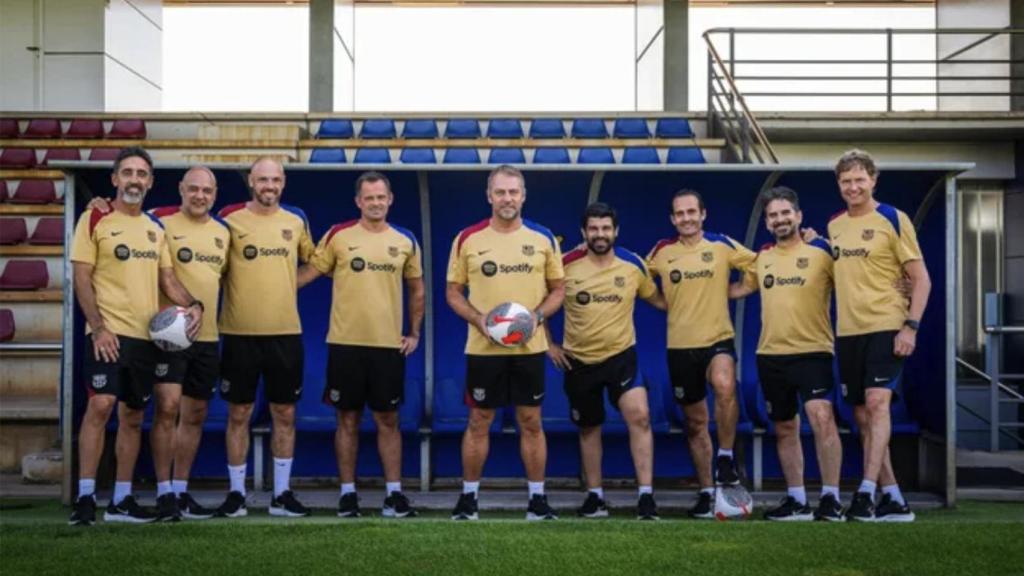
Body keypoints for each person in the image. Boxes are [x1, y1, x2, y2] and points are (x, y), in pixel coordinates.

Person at [68, 147, 204, 526]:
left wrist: (194, 305)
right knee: (100, 406)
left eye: (141, 174)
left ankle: (122, 501)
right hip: (107, 333)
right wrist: (97, 326)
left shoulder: (154, 228)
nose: (134, 179)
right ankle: (85, 498)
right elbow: (81, 276)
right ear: (115, 179)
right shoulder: (94, 217)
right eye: (127, 172)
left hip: (147, 338)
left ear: (150, 182)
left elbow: (168, 279)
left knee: (132, 415)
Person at [297, 171, 425, 518]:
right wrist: (267, 287)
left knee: (388, 421)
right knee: (347, 420)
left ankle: (393, 496)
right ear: (358, 202)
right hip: (345, 345)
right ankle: (348, 495)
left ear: (390, 199)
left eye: (381, 197)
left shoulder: (405, 240)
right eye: (369, 198)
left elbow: (417, 289)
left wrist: (413, 333)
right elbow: (308, 274)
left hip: (388, 348)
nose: (376, 203)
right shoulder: (339, 236)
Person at [446, 165, 565, 521]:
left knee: (531, 421)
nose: (507, 198)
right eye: (500, 192)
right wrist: (479, 320)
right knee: (479, 420)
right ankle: (468, 500)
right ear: (489, 196)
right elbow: (453, 293)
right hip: (484, 350)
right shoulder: (468, 238)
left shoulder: (543, 239)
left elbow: (559, 289)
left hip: (529, 349)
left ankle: (537, 501)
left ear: (523, 195)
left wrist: (537, 319)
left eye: (513, 192)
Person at [728, 186, 844, 521]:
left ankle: (831, 498)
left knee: (823, 420)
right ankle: (797, 500)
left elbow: (857, 279)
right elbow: (738, 289)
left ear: (798, 215)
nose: (780, 220)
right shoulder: (762, 258)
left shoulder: (822, 251)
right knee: (784, 428)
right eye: (773, 215)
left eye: (785, 213)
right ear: (767, 222)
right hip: (770, 355)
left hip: (814, 352)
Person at [546, 202, 667, 520]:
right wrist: (549, 345)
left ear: (616, 231)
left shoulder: (633, 265)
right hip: (579, 361)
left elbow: (658, 299)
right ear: (584, 232)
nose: (600, 234)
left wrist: (699, 301)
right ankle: (595, 497)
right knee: (589, 428)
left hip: (621, 357)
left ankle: (645, 497)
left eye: (606, 228)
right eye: (594, 229)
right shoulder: (564, 265)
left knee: (639, 416)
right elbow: (540, 303)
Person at [829, 150, 930, 522]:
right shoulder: (835, 225)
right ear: (839, 185)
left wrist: (910, 326)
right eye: (846, 181)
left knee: (876, 405)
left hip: (887, 325)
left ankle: (865, 492)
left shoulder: (893, 218)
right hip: (849, 331)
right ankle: (893, 497)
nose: (853, 187)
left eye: (859, 179)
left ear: (873, 180)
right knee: (861, 415)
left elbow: (920, 279)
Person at [646, 189, 757, 519]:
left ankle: (725, 457)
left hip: (717, 339)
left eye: (691, 212)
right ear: (672, 219)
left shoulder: (721, 245)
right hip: (680, 347)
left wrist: (737, 290)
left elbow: (759, 264)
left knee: (725, 385)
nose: (686, 218)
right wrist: (664, 302)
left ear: (703, 214)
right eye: (680, 214)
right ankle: (708, 492)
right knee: (695, 423)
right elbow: (637, 278)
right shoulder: (663, 252)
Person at [215, 157, 316, 518]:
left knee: (284, 413)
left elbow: (316, 261)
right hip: (239, 333)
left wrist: (290, 285)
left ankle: (282, 495)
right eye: (262, 179)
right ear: (251, 182)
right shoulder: (228, 218)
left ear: (283, 182)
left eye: (274, 180)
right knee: (238, 412)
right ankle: (237, 495)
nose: (269, 186)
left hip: (285, 334)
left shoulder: (296, 219)